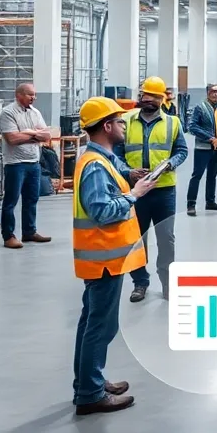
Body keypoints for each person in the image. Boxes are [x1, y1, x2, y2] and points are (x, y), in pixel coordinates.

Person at [71, 96, 156, 415]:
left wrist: (132, 179)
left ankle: (88, 382)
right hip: (103, 256)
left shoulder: (99, 157)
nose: (124, 125)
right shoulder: (95, 165)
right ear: (107, 126)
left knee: (90, 322)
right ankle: (90, 393)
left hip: (102, 256)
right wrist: (133, 196)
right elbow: (101, 211)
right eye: (120, 122)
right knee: (100, 326)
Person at [116, 75, 188, 302]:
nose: (147, 99)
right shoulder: (126, 120)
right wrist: (128, 172)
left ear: (161, 100)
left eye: (152, 97)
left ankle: (167, 283)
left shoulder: (173, 123)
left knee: (166, 238)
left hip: (164, 190)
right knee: (137, 239)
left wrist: (171, 163)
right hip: (136, 191)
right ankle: (140, 283)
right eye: (144, 95)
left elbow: (182, 151)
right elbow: (116, 154)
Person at [0, 82, 54, 249]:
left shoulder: (35, 112)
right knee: (11, 201)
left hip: (33, 163)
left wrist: (30, 134)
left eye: (34, 94)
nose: (34, 98)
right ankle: (8, 236)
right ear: (19, 95)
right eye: (30, 94)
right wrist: (35, 135)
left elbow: (47, 135)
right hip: (15, 164)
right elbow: (12, 139)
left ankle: (29, 231)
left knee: (31, 199)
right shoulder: (8, 113)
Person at [186, 83, 217, 215]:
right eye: (213, 91)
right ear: (208, 93)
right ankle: (191, 204)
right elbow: (192, 126)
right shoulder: (200, 108)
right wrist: (210, 138)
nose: (216, 94)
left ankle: (210, 202)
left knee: (212, 176)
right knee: (197, 175)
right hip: (203, 148)